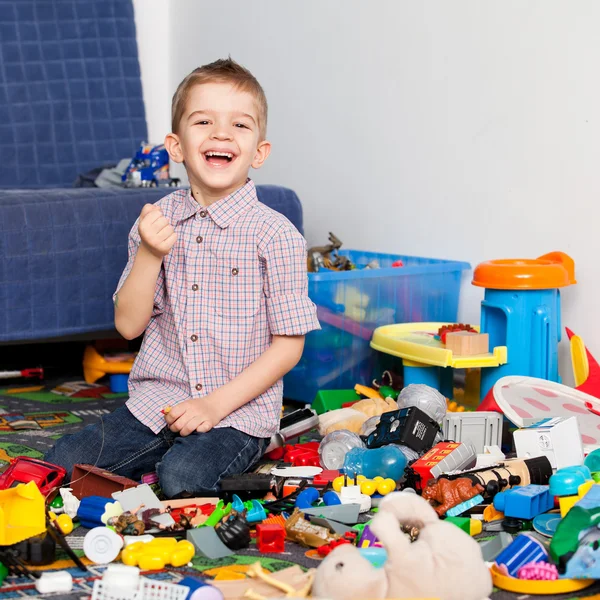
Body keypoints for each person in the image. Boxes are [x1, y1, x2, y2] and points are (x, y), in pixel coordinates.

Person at [45, 58, 320, 498]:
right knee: (61, 464)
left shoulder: (277, 235)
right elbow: (128, 326)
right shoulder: (156, 222)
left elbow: (289, 347)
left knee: (184, 481)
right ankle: (155, 460)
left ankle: (216, 457)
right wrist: (151, 254)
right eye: (204, 121)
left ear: (259, 152)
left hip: (237, 412)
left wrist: (214, 405)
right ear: (176, 146)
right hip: (158, 402)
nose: (221, 133)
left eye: (239, 125)